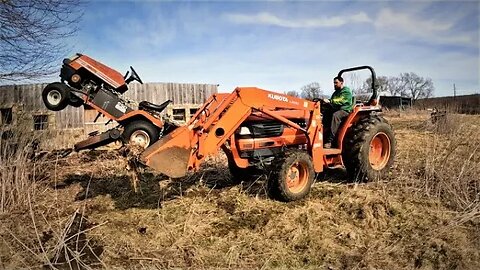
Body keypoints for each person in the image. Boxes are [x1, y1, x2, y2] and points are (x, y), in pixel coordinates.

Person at [322, 76, 353, 148]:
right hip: (336, 109)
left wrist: (330, 101)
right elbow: (332, 101)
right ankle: (322, 134)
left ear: (341, 82)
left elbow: (341, 100)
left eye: (336, 83)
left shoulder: (346, 91)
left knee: (336, 115)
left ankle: (330, 141)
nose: (334, 84)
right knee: (325, 113)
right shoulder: (335, 93)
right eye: (334, 83)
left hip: (345, 110)